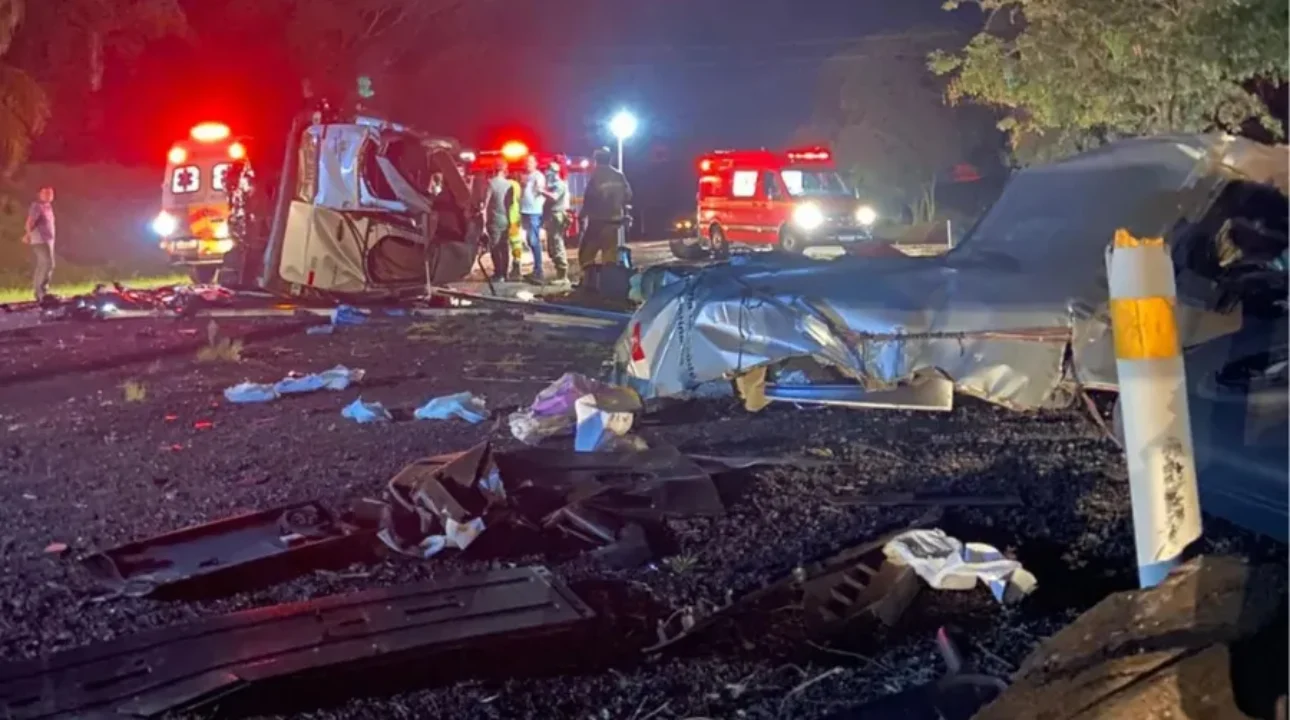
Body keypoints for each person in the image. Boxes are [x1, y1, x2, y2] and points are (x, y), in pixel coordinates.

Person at [578, 147, 632, 271]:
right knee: (609, 255)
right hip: (615, 221)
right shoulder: (619, 175)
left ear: (596, 159)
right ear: (610, 159)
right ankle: (608, 282)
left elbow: (590, 199)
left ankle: (589, 281)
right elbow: (628, 195)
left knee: (586, 254)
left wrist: (582, 215)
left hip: (598, 222)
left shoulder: (596, 175)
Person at [481, 160, 514, 283]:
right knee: (504, 247)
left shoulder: (491, 183)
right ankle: (505, 273)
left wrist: (483, 223)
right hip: (505, 219)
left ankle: (498, 273)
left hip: (493, 220)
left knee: (495, 247)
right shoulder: (509, 185)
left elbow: (485, 203)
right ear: (505, 170)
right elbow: (510, 204)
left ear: (495, 169)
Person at [540, 159, 571, 282]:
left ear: (554, 172)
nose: (546, 173)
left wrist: (542, 191)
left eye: (548, 171)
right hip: (551, 217)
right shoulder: (552, 186)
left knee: (557, 244)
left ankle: (563, 276)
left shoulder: (560, 185)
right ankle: (559, 273)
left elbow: (554, 197)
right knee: (552, 247)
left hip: (557, 216)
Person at [24, 186, 56, 302]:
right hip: (40, 239)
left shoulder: (48, 207)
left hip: (48, 240)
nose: (49, 196)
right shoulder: (37, 206)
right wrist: (28, 235)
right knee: (47, 264)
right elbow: (30, 222)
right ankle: (40, 292)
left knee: (45, 265)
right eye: (46, 193)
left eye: (50, 194)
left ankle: (42, 291)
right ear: (40, 194)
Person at [518, 155, 547, 283]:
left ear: (535, 163)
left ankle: (539, 271)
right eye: (526, 162)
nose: (527, 164)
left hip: (534, 211)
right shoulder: (526, 176)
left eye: (530, 162)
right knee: (530, 241)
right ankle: (536, 269)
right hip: (525, 211)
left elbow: (540, 189)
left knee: (534, 240)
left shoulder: (538, 176)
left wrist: (536, 187)